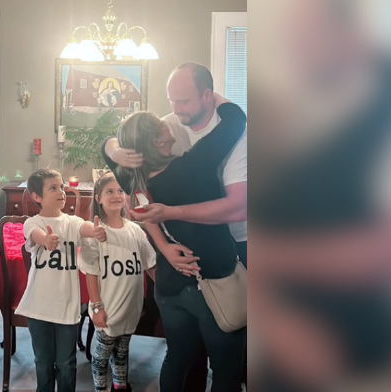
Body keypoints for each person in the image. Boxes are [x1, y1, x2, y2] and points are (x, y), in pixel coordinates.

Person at [101, 100, 247, 391]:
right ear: (158, 140)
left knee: (177, 359)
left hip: (169, 285)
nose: (170, 122)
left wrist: (115, 150)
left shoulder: (130, 176)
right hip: (209, 280)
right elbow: (235, 120)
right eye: (163, 124)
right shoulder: (191, 166)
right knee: (225, 368)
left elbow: (105, 147)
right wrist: (212, 97)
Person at [106, 63, 248, 268]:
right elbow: (138, 195)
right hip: (187, 245)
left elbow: (238, 209)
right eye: (172, 101)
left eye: (183, 101)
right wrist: (114, 150)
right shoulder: (170, 125)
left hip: (239, 241)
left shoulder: (235, 138)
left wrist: (170, 212)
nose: (176, 109)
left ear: (206, 95)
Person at [16, 169, 106, 392]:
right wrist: (46, 239)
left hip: (66, 306)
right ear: (37, 197)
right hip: (39, 306)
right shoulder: (32, 222)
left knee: (67, 363)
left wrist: (95, 231)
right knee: (43, 362)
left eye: (62, 187)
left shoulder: (72, 222)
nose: (61, 192)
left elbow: (85, 228)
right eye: (53, 188)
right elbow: (35, 235)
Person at [79, 172, 157, 392]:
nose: (116, 196)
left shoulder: (135, 230)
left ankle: (120, 385)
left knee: (122, 350)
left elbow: (150, 264)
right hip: (108, 306)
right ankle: (100, 388)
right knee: (103, 353)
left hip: (131, 307)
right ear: (98, 198)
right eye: (109, 191)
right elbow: (91, 272)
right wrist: (96, 307)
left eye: (120, 191)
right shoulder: (95, 233)